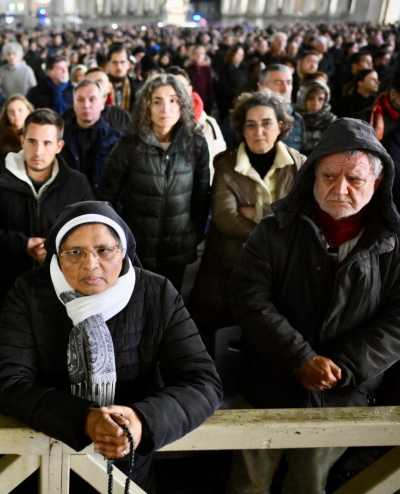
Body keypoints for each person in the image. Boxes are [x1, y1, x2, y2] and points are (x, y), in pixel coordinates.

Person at [0, 200, 221, 494]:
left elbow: (202, 382)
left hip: (129, 474)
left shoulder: (156, 293)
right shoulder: (31, 291)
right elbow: (6, 381)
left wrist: (142, 420)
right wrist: (83, 419)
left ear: (123, 251)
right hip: (39, 469)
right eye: (75, 252)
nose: (91, 264)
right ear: (56, 255)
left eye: (104, 250)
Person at [226, 118, 400, 494]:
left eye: (355, 179)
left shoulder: (391, 243)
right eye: (329, 176)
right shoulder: (274, 231)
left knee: (310, 491)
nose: (340, 189)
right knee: (249, 486)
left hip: (341, 391)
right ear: (312, 176)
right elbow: (249, 299)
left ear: (375, 185)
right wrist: (299, 358)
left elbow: (397, 321)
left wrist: (342, 365)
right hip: (268, 382)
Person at [188, 92, 305, 347]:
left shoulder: (299, 165)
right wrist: (275, 218)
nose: (258, 131)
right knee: (217, 333)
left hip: (283, 266)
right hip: (229, 262)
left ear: (281, 126)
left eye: (266, 123)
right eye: (250, 124)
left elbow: (302, 216)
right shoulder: (226, 165)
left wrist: (255, 211)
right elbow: (225, 218)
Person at [0, 108, 94, 320]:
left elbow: (89, 234)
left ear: (59, 146)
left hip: (62, 285)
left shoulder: (77, 184)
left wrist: (54, 251)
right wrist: (24, 244)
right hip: (9, 285)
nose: (38, 151)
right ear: (22, 141)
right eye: (32, 141)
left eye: (47, 143)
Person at [97, 73, 210, 290]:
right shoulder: (129, 146)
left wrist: (192, 236)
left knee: (170, 308)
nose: (165, 108)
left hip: (177, 246)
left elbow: (201, 198)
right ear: (146, 106)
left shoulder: (196, 145)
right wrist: (119, 240)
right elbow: (106, 196)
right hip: (137, 248)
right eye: (157, 101)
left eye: (172, 100)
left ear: (183, 105)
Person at [61, 79, 123, 189]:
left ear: (102, 104)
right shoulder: (60, 138)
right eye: (80, 100)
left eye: (92, 99)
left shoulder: (118, 140)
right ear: (74, 104)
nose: (86, 105)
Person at [258, 64, 306, 153]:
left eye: (289, 83)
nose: (285, 89)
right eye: (278, 83)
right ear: (262, 88)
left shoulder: (297, 120)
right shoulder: (246, 118)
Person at [295, 79, 337, 154]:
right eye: (311, 98)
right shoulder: (294, 118)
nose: (315, 103)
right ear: (302, 99)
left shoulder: (330, 120)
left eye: (321, 99)